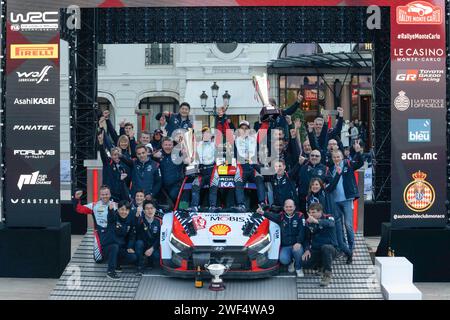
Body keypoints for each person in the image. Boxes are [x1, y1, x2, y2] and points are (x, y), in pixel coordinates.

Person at [73, 187, 132, 280]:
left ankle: (114, 267)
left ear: (110, 194)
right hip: (101, 236)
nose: (105, 196)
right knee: (99, 259)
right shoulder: (94, 205)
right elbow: (79, 209)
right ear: (100, 195)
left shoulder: (116, 205)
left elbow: (128, 210)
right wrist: (76, 199)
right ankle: (111, 259)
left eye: (107, 194)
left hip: (114, 235)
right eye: (103, 194)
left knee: (117, 245)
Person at [329, 141, 364, 263]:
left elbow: (360, 163)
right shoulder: (332, 168)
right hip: (335, 202)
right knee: (339, 227)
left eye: (338, 156)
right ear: (332, 158)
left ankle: (351, 248)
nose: (336, 159)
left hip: (346, 200)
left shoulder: (348, 164)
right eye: (334, 157)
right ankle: (343, 249)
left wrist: (358, 151)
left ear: (342, 157)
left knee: (348, 225)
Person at [256, 199, 306, 277]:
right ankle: (291, 263)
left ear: (294, 207)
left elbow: (302, 231)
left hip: (296, 244)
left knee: (298, 251)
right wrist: (262, 212)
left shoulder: (300, 216)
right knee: (283, 259)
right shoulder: (281, 216)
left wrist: (299, 242)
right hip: (285, 245)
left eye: (290, 207)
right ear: (284, 207)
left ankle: (298, 268)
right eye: (287, 207)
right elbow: (272, 216)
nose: (289, 209)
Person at [306, 177, 351, 260]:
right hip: (321, 221)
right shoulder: (309, 197)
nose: (314, 186)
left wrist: (338, 173)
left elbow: (333, 184)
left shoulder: (325, 192)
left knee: (339, 242)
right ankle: (327, 257)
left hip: (334, 220)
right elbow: (309, 209)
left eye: (317, 184)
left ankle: (349, 255)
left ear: (321, 185)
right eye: (312, 185)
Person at [302, 203, 338, 286]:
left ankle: (327, 274)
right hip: (316, 249)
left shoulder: (328, 217)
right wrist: (307, 249)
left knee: (326, 248)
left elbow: (330, 224)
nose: (311, 215)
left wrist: (317, 221)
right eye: (310, 213)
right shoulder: (309, 223)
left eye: (313, 212)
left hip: (331, 249)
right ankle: (320, 265)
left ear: (320, 212)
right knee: (303, 263)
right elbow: (306, 238)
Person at [234, 120, 266, 211]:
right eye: (242, 128)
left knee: (260, 179)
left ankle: (262, 203)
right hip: (241, 167)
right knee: (238, 181)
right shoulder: (235, 139)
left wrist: (265, 119)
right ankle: (241, 205)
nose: (244, 130)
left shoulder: (254, 138)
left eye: (246, 128)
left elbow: (262, 130)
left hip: (253, 166)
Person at [290, 149, 331, 214]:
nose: (314, 157)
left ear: (320, 158)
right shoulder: (302, 166)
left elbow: (330, 182)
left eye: (317, 156)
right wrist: (298, 164)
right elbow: (291, 177)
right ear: (309, 156)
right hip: (302, 199)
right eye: (312, 155)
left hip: (318, 200)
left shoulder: (325, 169)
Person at [190, 127, 219, 211]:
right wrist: (195, 169)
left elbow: (218, 159)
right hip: (201, 171)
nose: (206, 134)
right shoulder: (197, 145)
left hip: (212, 170)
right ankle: (194, 206)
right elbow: (194, 159)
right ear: (202, 135)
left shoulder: (214, 145)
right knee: (195, 186)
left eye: (208, 133)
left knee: (213, 187)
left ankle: (212, 206)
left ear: (211, 135)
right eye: (204, 133)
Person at [155, 137, 190, 203]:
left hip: (176, 184)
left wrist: (185, 155)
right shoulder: (158, 155)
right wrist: (153, 156)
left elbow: (187, 161)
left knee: (173, 196)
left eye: (170, 145)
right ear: (162, 145)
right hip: (162, 185)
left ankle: (181, 208)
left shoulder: (178, 153)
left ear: (173, 145)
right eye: (166, 145)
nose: (168, 147)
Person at [98, 132, 130, 201]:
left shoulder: (122, 168)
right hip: (108, 196)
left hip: (119, 197)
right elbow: (103, 155)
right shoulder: (108, 163)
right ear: (111, 156)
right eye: (115, 155)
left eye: (118, 154)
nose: (117, 157)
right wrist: (101, 144)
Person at [109, 200, 139, 275]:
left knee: (133, 257)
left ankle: (117, 262)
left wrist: (129, 247)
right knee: (115, 247)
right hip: (112, 246)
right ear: (118, 209)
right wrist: (110, 210)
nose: (124, 212)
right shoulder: (114, 217)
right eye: (122, 209)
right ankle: (111, 269)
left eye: (126, 210)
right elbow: (111, 217)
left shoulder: (130, 219)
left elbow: (132, 235)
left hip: (122, 247)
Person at [135, 200, 161, 275]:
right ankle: (140, 266)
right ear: (144, 211)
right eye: (147, 208)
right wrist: (137, 215)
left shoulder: (159, 222)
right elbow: (135, 226)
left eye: (151, 208)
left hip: (153, 246)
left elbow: (159, 238)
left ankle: (150, 262)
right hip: (142, 245)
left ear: (155, 210)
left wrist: (152, 249)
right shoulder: (140, 220)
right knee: (139, 243)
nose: (150, 210)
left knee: (157, 256)